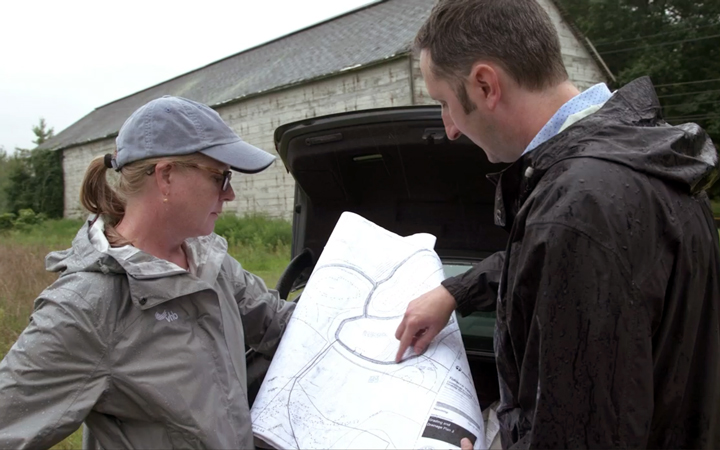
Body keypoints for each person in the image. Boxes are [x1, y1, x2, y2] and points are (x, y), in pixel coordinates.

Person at [394, 0, 720, 448]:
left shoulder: (580, 209)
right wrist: (458, 289)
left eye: (445, 103)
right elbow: (563, 261)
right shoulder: (633, 157)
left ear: (486, 85)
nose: (449, 128)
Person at [0, 96, 296, 449]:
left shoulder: (210, 264)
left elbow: (281, 324)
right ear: (166, 176)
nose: (229, 194)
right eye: (220, 176)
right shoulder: (87, 308)